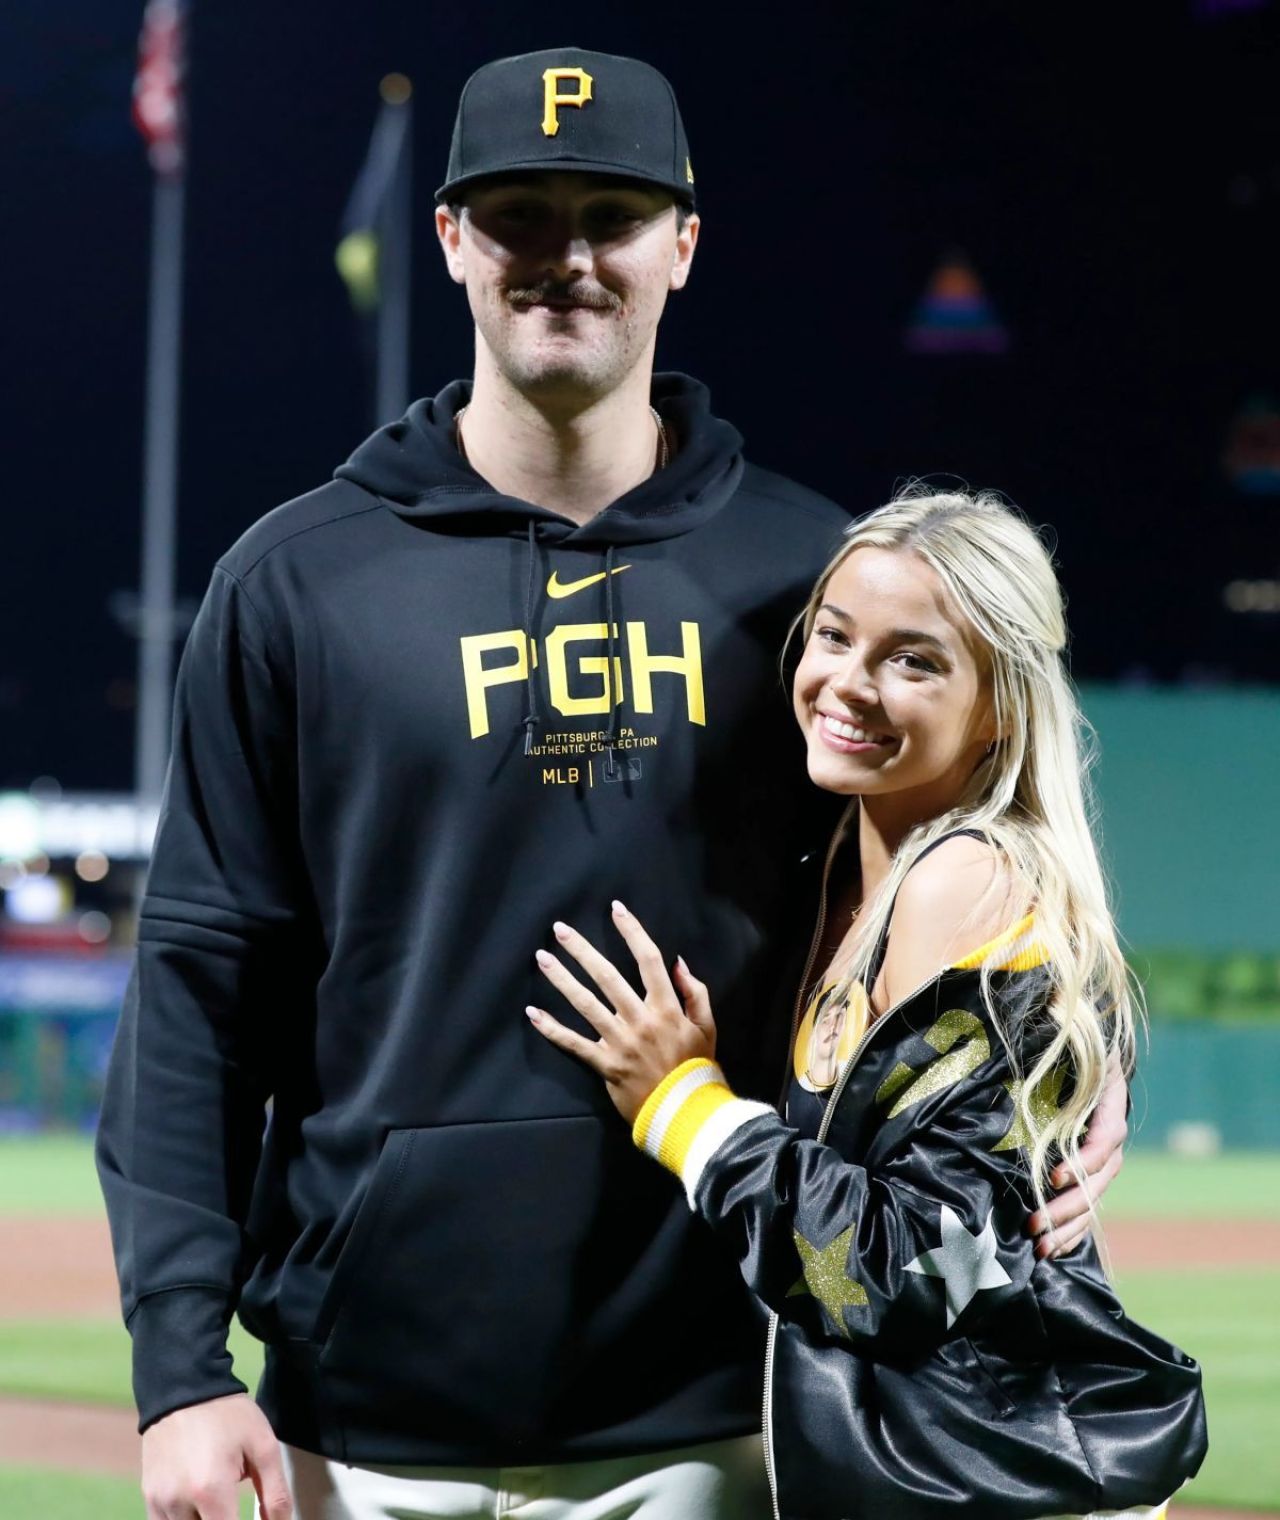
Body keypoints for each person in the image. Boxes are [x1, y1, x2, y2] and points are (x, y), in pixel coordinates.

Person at [96, 48, 1128, 1520]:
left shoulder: (809, 582)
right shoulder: (297, 582)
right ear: (452, 240)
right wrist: (182, 1370)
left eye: (611, 214)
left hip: (719, 1415)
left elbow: (989, 843)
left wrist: (1070, 1074)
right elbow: (201, 982)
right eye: (520, 214)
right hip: (369, 1420)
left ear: (681, 247)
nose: (566, 256)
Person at [527, 487, 1208, 1520]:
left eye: (913, 659)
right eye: (834, 636)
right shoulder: (850, 864)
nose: (847, 682)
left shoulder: (962, 879)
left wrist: (683, 1103)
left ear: (997, 708)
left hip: (991, 1488)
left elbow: (902, 1272)